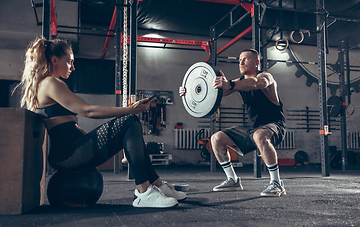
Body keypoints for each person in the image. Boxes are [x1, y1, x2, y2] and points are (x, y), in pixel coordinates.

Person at [16, 37, 186, 208]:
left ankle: (156, 184)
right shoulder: (50, 83)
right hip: (70, 154)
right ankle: (143, 192)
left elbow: (65, 123)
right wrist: (130, 109)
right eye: (69, 62)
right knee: (129, 120)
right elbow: (88, 110)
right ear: (55, 60)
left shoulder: (45, 84)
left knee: (130, 123)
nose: (72, 67)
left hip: (72, 150)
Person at [179, 49, 286, 197]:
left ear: (257, 63)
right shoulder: (238, 82)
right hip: (252, 127)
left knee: (260, 135)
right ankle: (232, 180)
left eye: (246, 59)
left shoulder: (266, 77)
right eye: (240, 59)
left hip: (274, 124)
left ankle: (277, 183)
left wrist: (228, 84)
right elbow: (217, 92)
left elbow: (255, 83)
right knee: (216, 138)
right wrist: (189, 92)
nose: (241, 62)